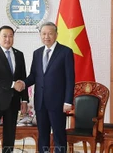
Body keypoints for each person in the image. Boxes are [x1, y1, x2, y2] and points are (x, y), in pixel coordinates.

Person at [18, 22, 75, 153]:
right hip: (40, 102)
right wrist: (23, 83)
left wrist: (68, 101)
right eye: (43, 33)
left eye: (50, 33)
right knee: (42, 136)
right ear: (40, 35)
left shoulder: (65, 52)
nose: (46, 36)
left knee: (59, 136)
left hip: (58, 103)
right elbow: (33, 76)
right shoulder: (37, 53)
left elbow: (70, 79)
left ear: (56, 34)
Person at [0, 25, 28, 153]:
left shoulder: (19, 55)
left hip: (13, 102)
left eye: (10, 36)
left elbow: (22, 78)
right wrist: (13, 84)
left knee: (9, 137)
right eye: (4, 36)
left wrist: (24, 100)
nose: (8, 39)